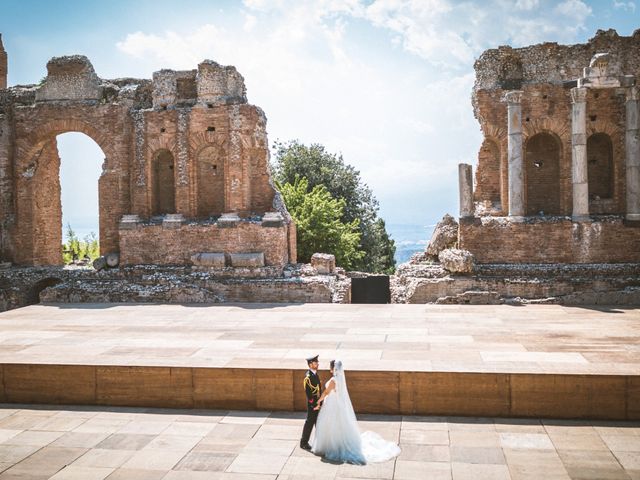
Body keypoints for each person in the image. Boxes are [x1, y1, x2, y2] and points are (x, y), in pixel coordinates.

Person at [311, 359, 401, 465]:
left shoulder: (333, 381)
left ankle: (332, 446)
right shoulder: (340, 380)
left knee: (332, 426)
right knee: (338, 427)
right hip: (337, 405)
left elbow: (326, 392)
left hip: (332, 406)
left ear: (332, 369)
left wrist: (318, 401)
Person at [300, 354, 322, 451]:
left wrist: (320, 402)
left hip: (318, 403)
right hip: (313, 405)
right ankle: (303, 442)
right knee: (309, 423)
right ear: (310, 364)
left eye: (317, 362)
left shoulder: (315, 374)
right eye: (315, 362)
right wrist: (314, 405)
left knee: (318, 423)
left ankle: (319, 442)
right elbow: (309, 395)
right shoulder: (308, 377)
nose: (317, 363)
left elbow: (318, 390)